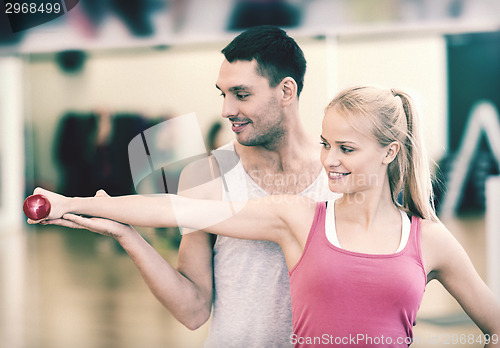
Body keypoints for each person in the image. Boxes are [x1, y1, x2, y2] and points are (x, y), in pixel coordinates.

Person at [33, 86, 500, 347]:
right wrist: (77, 204)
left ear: (390, 152)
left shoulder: (428, 240)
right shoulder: (298, 219)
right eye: (325, 144)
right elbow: (182, 207)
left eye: (346, 149)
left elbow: (492, 322)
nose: (329, 159)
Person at [41, 26, 337, 347]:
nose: (226, 110)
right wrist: (127, 234)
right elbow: (193, 311)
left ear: (286, 91)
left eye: (241, 94)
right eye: (223, 94)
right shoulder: (206, 175)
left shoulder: (340, 174)